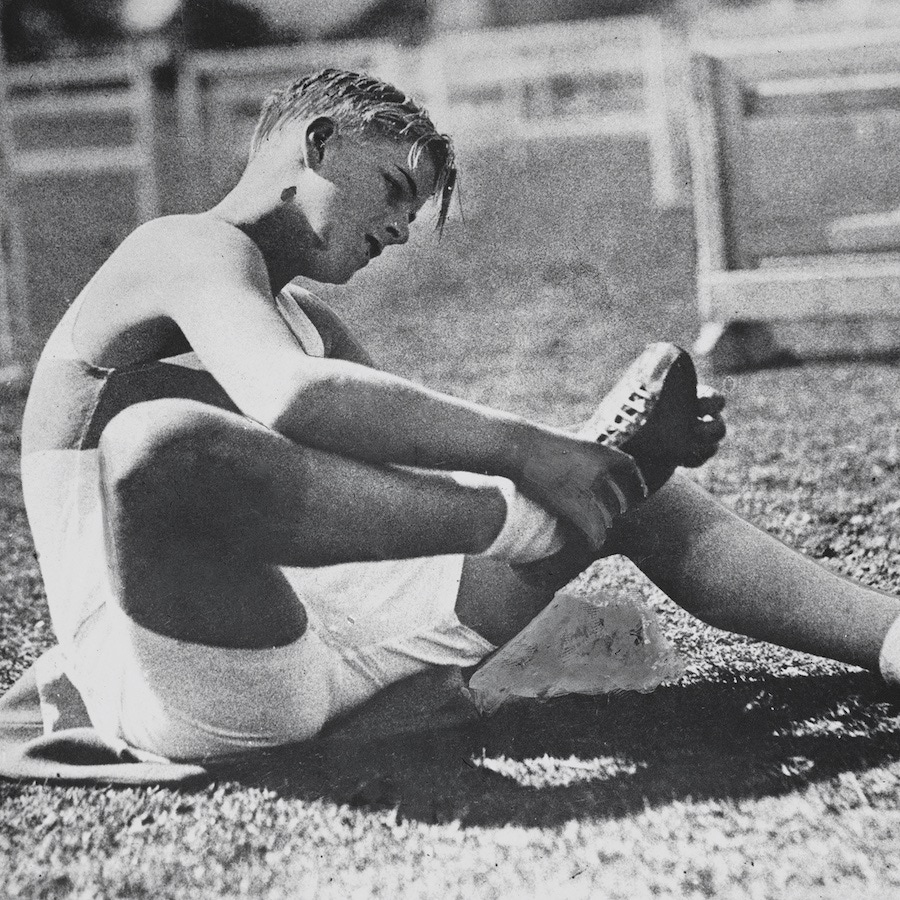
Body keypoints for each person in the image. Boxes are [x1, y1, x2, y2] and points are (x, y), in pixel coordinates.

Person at [19, 69, 900, 763]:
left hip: (358, 656)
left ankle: (889, 636)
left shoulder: (314, 321)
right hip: (196, 665)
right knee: (160, 445)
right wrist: (532, 460)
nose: (401, 230)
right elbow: (291, 396)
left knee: (632, 493)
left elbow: (408, 490)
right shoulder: (184, 245)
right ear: (318, 145)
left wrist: (599, 465)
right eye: (395, 189)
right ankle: (531, 528)